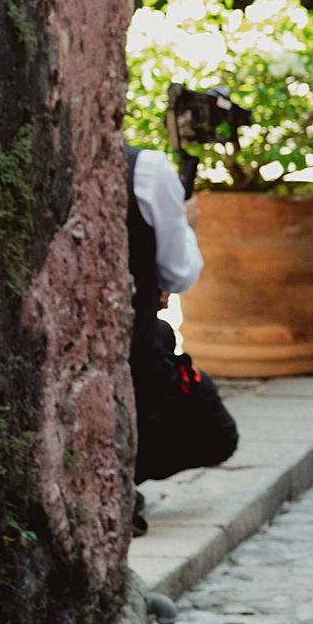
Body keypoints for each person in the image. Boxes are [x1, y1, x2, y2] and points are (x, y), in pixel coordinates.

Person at [127, 143, 239, 501]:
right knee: (217, 432)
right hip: (135, 349)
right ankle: (121, 482)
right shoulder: (147, 169)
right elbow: (178, 275)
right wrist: (186, 226)